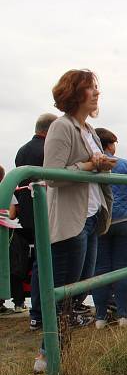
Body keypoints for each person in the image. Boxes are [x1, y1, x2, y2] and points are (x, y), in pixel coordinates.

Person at [34, 69, 115, 373]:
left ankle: (59, 352)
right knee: (64, 290)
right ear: (74, 93)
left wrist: (102, 165)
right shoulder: (61, 127)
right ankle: (48, 355)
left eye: (97, 88)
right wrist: (90, 164)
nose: (96, 93)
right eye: (90, 88)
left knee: (79, 289)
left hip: (92, 217)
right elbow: (53, 176)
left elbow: (90, 169)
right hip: (71, 220)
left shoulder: (89, 129)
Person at [91, 128, 127, 328]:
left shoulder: (91, 166)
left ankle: (101, 317)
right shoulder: (126, 164)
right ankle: (123, 316)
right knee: (122, 266)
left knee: (100, 269)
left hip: (101, 220)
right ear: (110, 145)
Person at [15, 113, 58, 330]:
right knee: (47, 262)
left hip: (26, 213)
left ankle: (37, 313)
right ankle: (44, 312)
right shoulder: (46, 149)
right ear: (49, 131)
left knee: (40, 262)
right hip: (45, 211)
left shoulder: (23, 150)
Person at [0, 166, 25, 314]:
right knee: (14, 266)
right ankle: (19, 302)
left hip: (6, 233)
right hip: (7, 233)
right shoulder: (7, 190)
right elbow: (12, 214)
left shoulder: (6, 190)